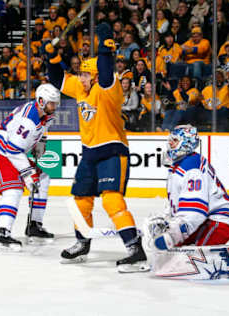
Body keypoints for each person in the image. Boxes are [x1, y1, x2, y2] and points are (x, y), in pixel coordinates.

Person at [47, 23, 149, 272]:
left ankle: (135, 249)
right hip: (89, 153)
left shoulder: (107, 88)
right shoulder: (79, 88)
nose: (79, 77)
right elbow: (57, 78)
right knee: (81, 199)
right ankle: (82, 243)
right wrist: (50, 55)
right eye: (80, 73)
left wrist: (104, 42)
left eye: (84, 74)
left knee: (112, 201)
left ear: (93, 76)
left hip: (112, 150)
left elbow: (105, 68)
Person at [0, 83, 60, 250]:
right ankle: (2, 232)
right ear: (41, 101)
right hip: (0, 151)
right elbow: (12, 150)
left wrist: (40, 141)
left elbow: (43, 129)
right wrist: (27, 174)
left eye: (56, 103)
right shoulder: (28, 120)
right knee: (14, 189)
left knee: (43, 179)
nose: (55, 106)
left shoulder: (45, 113)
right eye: (51, 103)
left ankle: (34, 226)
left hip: (13, 151)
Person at [149, 124, 229, 248]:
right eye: (170, 140)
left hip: (216, 222)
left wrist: (174, 234)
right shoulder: (179, 165)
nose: (170, 144)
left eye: (174, 140)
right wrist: (167, 220)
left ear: (186, 143)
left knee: (193, 258)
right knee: (171, 252)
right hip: (200, 222)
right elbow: (178, 201)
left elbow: (195, 211)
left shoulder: (192, 167)